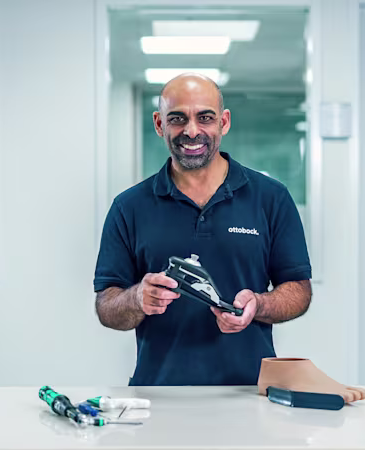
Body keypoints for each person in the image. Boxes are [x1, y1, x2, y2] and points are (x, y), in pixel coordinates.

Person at [93, 73, 312, 386]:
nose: (191, 131)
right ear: (159, 124)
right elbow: (106, 307)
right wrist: (137, 297)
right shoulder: (129, 207)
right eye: (177, 118)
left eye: (205, 117)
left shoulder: (271, 198)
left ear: (223, 122)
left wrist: (258, 305)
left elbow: (299, 291)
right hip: (159, 394)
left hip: (249, 392)